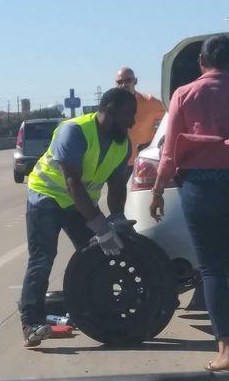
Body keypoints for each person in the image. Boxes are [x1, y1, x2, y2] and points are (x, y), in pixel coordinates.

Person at [20, 88, 136, 347]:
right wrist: (100, 227)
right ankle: (31, 322)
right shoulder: (74, 131)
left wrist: (116, 218)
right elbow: (72, 182)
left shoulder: (122, 144)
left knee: (98, 256)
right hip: (47, 196)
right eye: (129, 114)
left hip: (80, 204)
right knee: (42, 258)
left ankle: (98, 310)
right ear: (109, 110)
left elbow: (117, 186)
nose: (133, 122)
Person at [149, 34, 229, 372]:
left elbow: (168, 154)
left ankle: (225, 350)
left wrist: (157, 191)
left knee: (212, 269)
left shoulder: (184, 94)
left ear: (201, 62)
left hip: (200, 186)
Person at [115, 67, 165, 179]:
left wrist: (162, 139)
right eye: (119, 82)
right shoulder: (112, 105)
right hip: (117, 164)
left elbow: (171, 116)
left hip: (143, 163)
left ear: (135, 81)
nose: (123, 85)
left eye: (127, 80)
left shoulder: (149, 102)